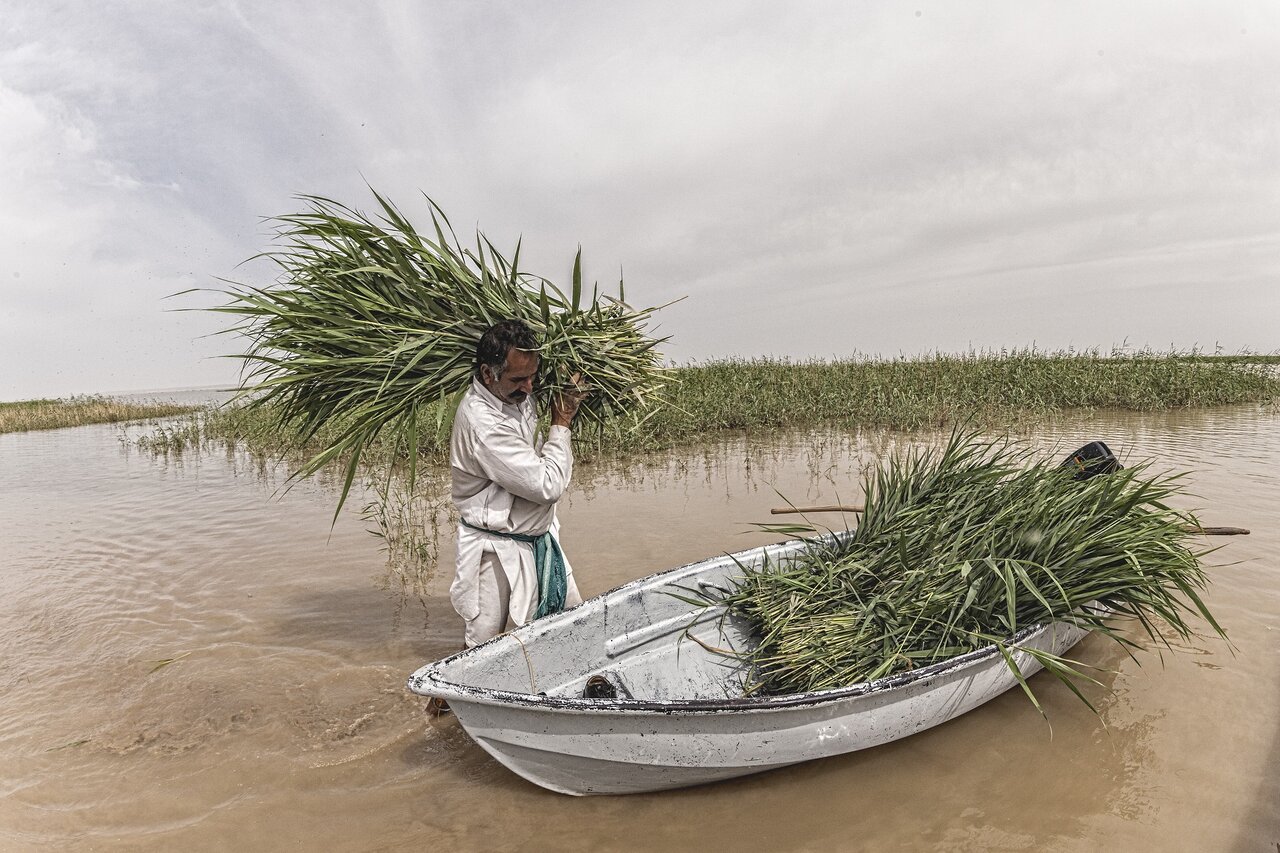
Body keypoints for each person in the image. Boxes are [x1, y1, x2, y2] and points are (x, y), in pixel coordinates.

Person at [448, 318, 588, 648]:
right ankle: (446, 701)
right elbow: (547, 485)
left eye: (533, 376)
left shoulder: (519, 397)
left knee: (579, 625)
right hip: (494, 549)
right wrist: (562, 422)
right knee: (480, 650)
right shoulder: (483, 424)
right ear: (487, 374)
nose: (528, 387)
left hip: (539, 542)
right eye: (518, 379)